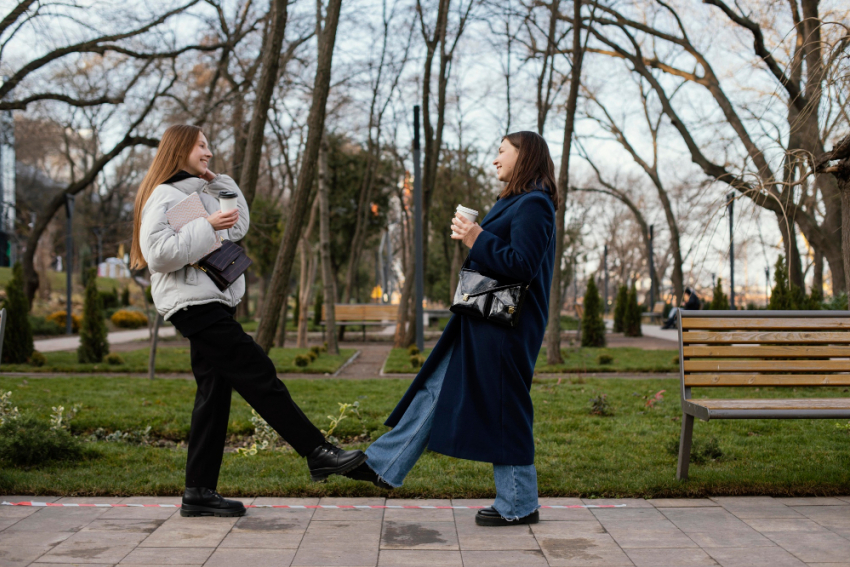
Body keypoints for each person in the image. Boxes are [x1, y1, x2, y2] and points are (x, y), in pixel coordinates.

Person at [131, 125, 366, 518]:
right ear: (180, 149)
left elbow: (238, 226)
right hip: (194, 305)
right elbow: (157, 254)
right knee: (258, 372)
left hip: (212, 301)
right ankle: (316, 451)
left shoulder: (198, 192)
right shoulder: (165, 194)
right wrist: (206, 226)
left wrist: (219, 183)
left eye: (208, 146)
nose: (208, 152)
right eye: (201, 146)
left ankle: (199, 492)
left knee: (214, 396)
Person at [343, 131, 557, 527]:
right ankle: (383, 465)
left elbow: (523, 264)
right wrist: (476, 238)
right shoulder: (514, 202)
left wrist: (476, 237)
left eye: (501, 152)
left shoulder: (535, 204)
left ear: (524, 157)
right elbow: (503, 257)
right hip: (482, 322)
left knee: (507, 409)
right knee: (435, 390)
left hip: (506, 329)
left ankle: (519, 503)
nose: (495, 160)